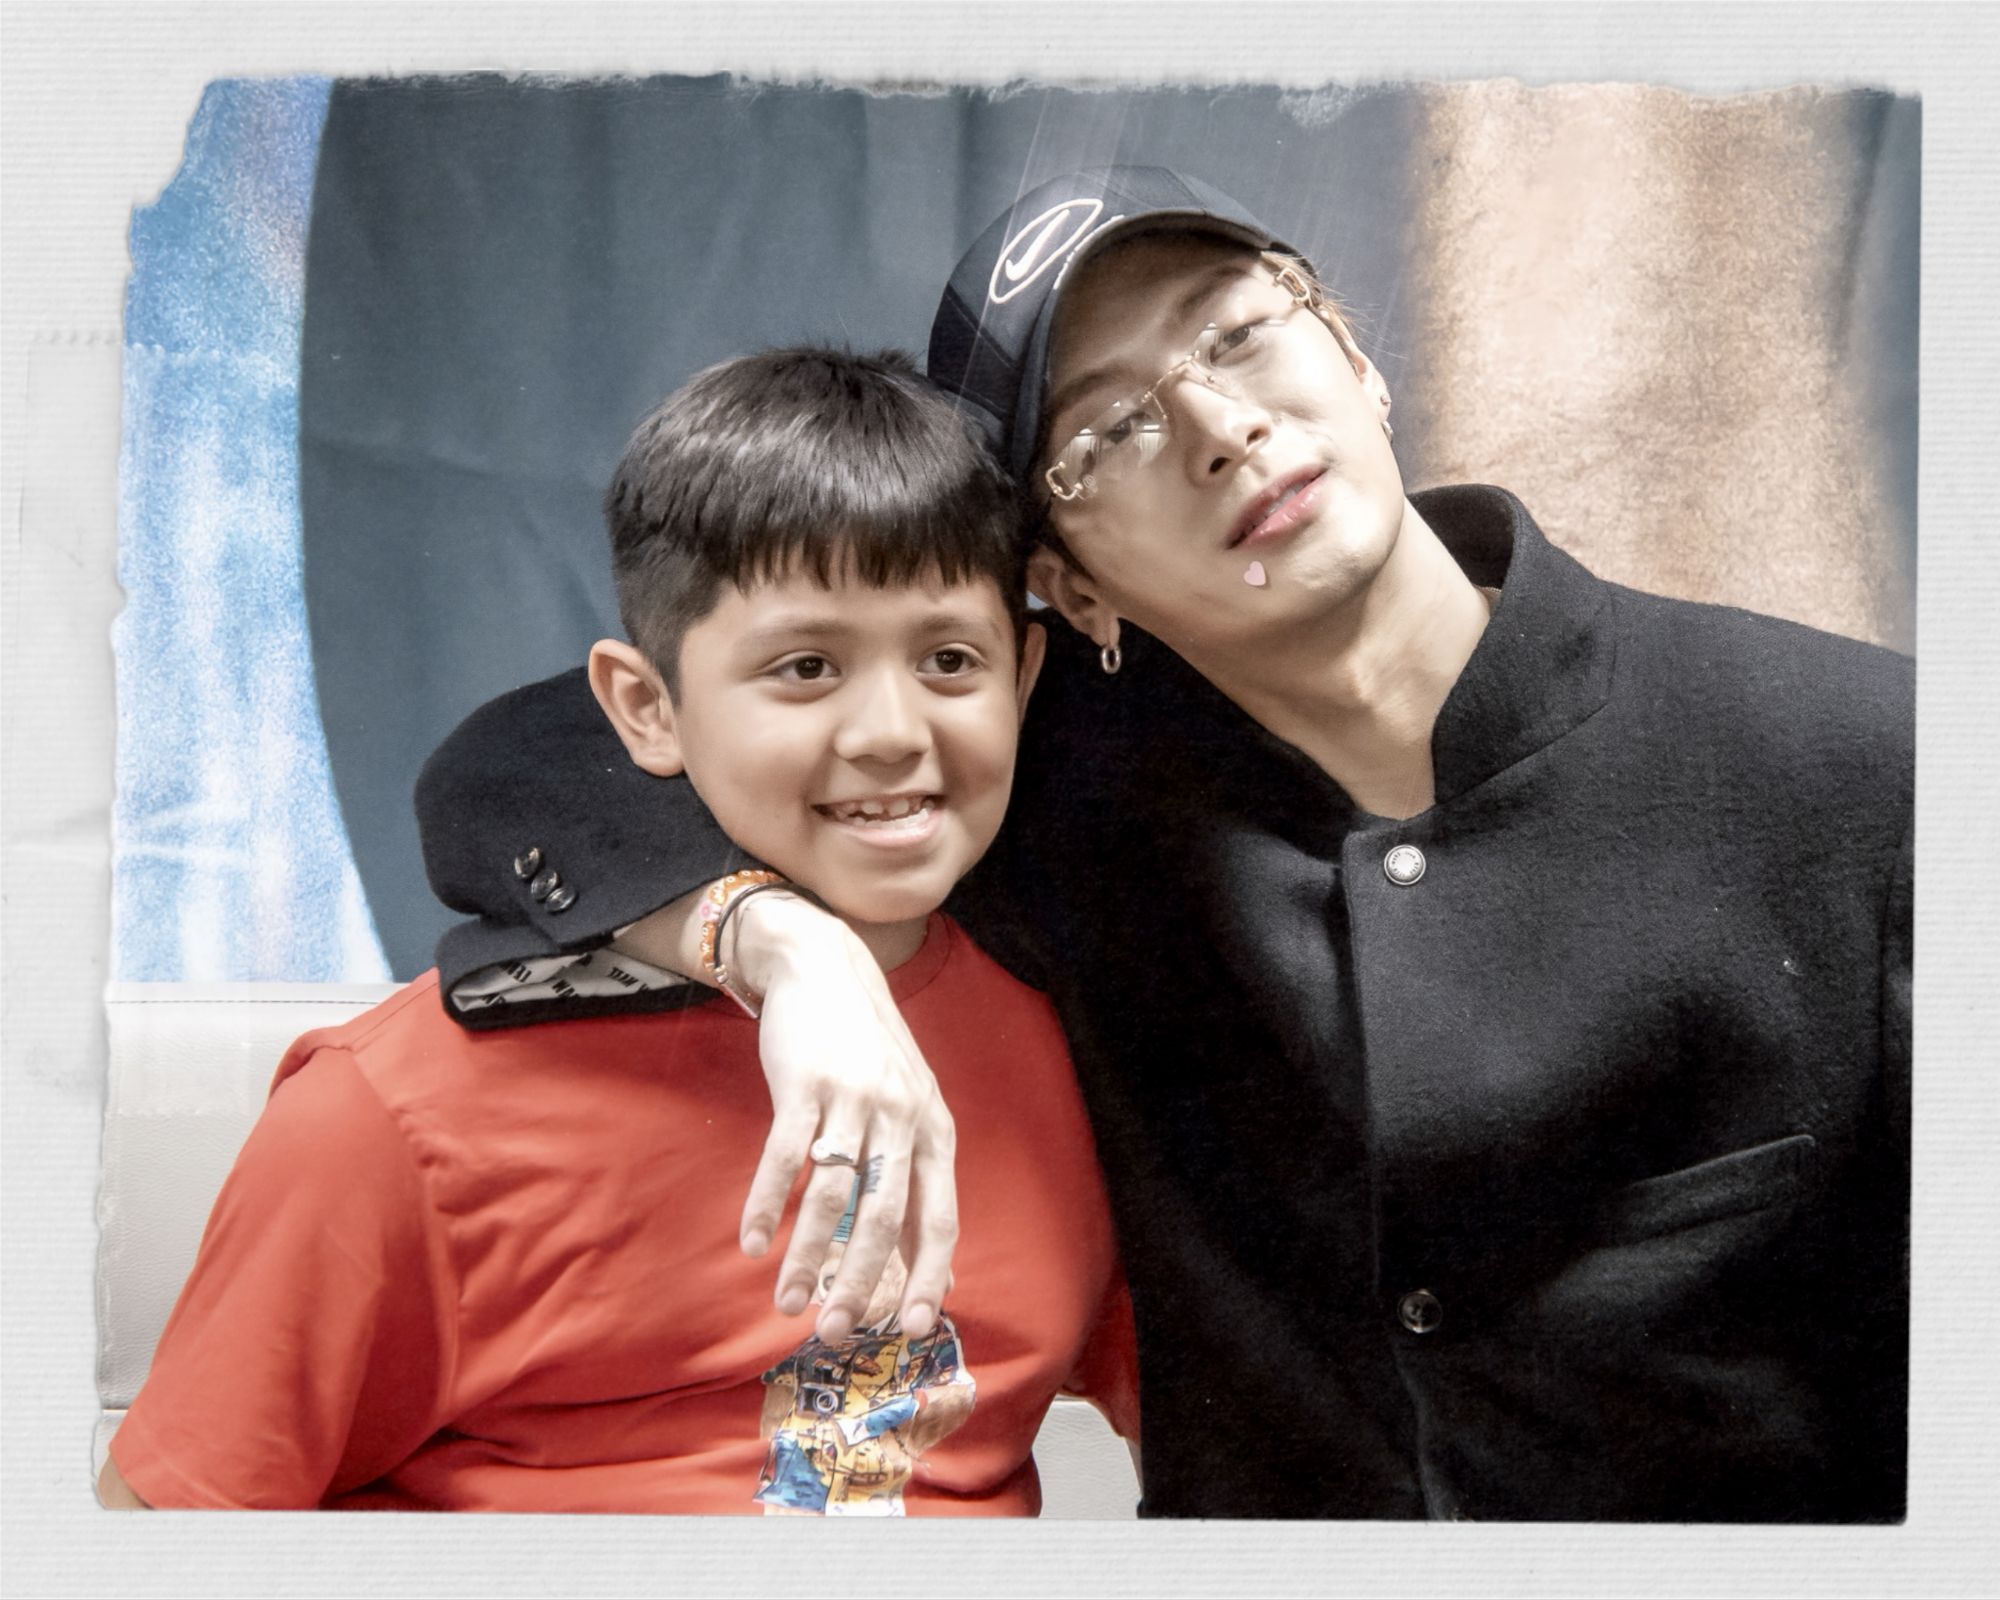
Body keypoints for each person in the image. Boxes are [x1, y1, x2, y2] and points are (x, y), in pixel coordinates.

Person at [419, 169, 1911, 1521]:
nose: (1218, 428)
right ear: (1066, 589)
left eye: (1239, 334)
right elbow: (524, 766)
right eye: (1110, 431)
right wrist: (784, 946)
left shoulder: (1853, 757)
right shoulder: (1060, 788)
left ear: (1354, 356)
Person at [98, 347, 1136, 1514]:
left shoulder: (1084, 1056)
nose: (891, 731)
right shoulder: (387, 1115)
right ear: (646, 707)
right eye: (805, 667)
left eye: (948, 659)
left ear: (1022, 676)